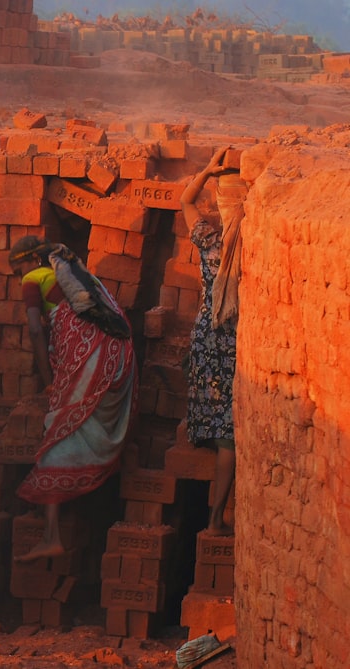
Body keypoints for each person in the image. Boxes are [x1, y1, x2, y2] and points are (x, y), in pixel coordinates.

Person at [9, 235, 137, 562]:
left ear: (30, 262)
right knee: (78, 421)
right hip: (117, 356)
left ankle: (51, 536)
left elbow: (36, 329)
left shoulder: (33, 278)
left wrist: (49, 381)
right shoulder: (81, 279)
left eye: (16, 269)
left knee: (57, 431)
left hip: (89, 356)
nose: (16, 277)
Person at [181, 146, 240, 536]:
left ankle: (216, 516)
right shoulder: (251, 248)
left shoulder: (210, 240)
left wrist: (206, 169)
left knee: (217, 426)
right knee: (230, 436)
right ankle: (217, 518)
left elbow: (185, 199)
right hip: (235, 343)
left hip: (207, 336)